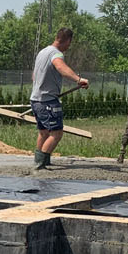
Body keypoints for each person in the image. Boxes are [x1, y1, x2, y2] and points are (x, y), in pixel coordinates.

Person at [29, 27, 88, 168]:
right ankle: (40, 165)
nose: (68, 47)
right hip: (48, 101)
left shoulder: (42, 52)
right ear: (67, 40)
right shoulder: (56, 54)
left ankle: (39, 161)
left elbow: (34, 76)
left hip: (36, 99)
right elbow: (60, 67)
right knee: (56, 133)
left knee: (44, 132)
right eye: (69, 43)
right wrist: (78, 79)